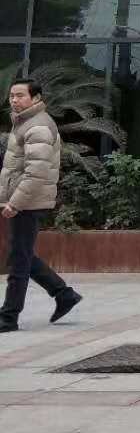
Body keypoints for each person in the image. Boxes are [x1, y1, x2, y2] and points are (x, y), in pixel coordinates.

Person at [0, 80, 81, 332]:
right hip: (24, 199)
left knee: (19, 260)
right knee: (21, 254)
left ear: (35, 98)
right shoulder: (25, 122)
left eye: (20, 95)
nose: (14, 100)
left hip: (28, 201)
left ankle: (9, 317)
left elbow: (36, 172)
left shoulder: (38, 127)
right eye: (12, 96)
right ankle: (64, 294)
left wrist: (16, 202)